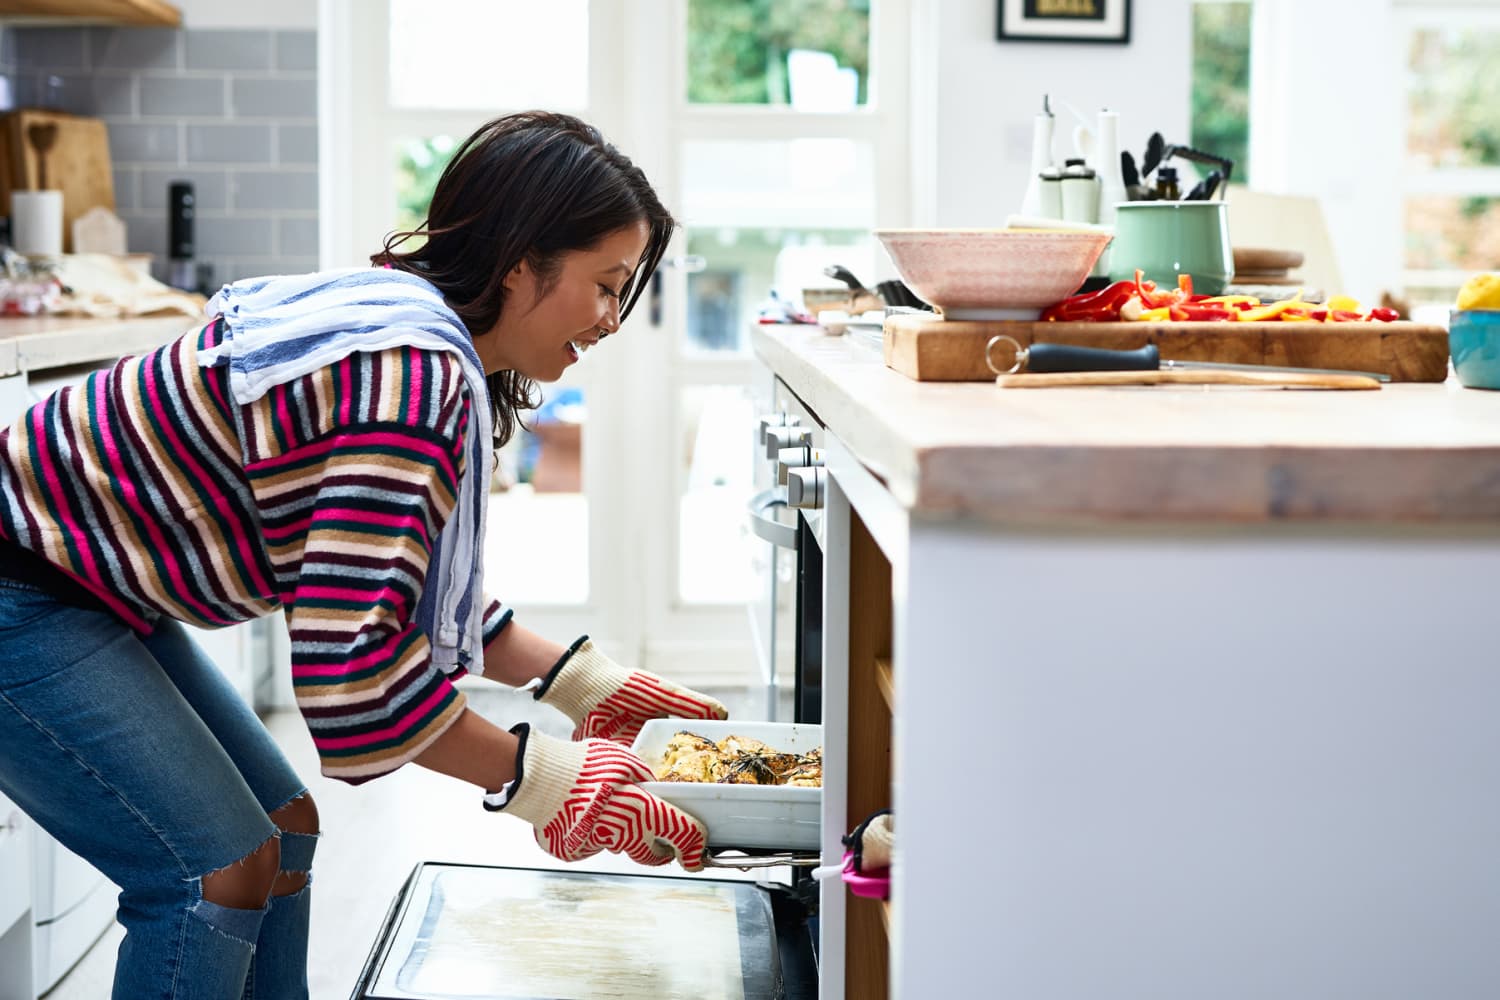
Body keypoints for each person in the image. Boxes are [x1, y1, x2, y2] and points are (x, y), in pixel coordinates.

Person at [0, 111, 728, 1000]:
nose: (613, 320)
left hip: (79, 583)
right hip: (23, 586)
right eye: (607, 285)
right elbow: (354, 686)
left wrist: (580, 683)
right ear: (520, 260)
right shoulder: (411, 378)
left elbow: (380, 577)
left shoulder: (407, 325)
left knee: (283, 830)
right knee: (211, 874)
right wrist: (549, 781)